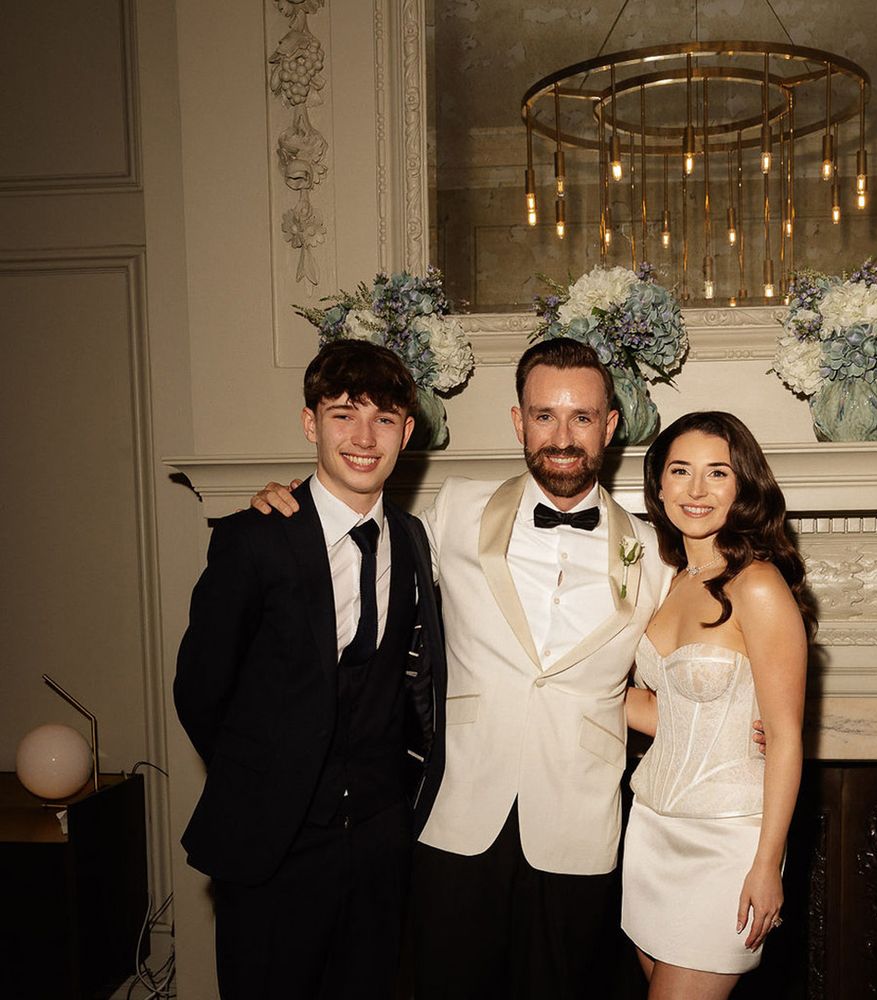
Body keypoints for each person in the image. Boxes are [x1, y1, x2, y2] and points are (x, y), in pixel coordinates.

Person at [253, 342, 766, 999]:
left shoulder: (658, 557)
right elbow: (363, 555)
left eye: (581, 417)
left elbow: (698, 669)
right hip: (455, 818)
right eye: (544, 416)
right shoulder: (453, 510)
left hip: (582, 828)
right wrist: (294, 505)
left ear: (611, 427)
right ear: (518, 422)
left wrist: (751, 729)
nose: (562, 436)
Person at [174, 339, 447, 999]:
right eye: (343, 414)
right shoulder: (253, 539)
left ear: (407, 432)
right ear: (310, 423)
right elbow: (199, 691)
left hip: (380, 843)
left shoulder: (411, 539)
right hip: (275, 846)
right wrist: (270, 778)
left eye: (383, 418)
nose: (363, 436)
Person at [621, 411, 812, 1000]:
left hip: (729, 844)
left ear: (743, 486)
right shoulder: (665, 582)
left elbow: (783, 738)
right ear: (658, 486)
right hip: (651, 831)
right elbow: (668, 717)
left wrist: (767, 864)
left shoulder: (758, 585)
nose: (696, 490)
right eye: (680, 471)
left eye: (717, 474)